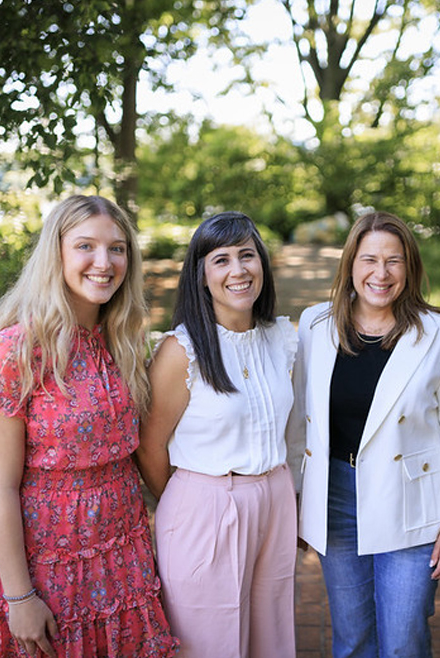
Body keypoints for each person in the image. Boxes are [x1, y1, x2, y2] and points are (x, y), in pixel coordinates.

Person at [0, 195, 178, 657]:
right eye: (87, 246)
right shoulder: (15, 352)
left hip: (125, 558)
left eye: (117, 249)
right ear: (56, 253)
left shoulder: (122, 342)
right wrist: (20, 597)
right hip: (49, 569)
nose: (104, 262)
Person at [287, 211, 440, 658]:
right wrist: (297, 497)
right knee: (352, 637)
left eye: (394, 261)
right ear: (350, 265)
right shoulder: (315, 324)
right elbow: (300, 420)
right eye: (369, 259)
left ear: (409, 268)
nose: (381, 273)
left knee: (403, 640)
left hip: (412, 503)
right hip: (335, 497)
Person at [135, 211, 298, 658]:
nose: (238, 270)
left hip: (275, 499)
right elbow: (149, 445)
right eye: (221, 260)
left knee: (271, 636)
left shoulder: (281, 338)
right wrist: (193, 501)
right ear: (202, 276)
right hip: (206, 505)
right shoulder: (180, 351)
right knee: (210, 642)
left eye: (247, 256)